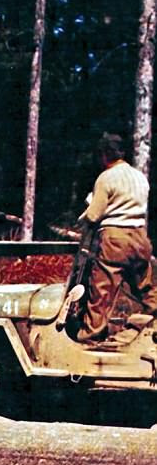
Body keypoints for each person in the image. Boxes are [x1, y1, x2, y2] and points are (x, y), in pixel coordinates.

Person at [76, 133, 157, 342]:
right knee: (147, 287)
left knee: (102, 289)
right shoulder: (139, 177)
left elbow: (94, 214)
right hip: (140, 236)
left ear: (104, 155)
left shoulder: (106, 177)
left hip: (115, 237)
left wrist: (81, 221)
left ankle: (90, 336)